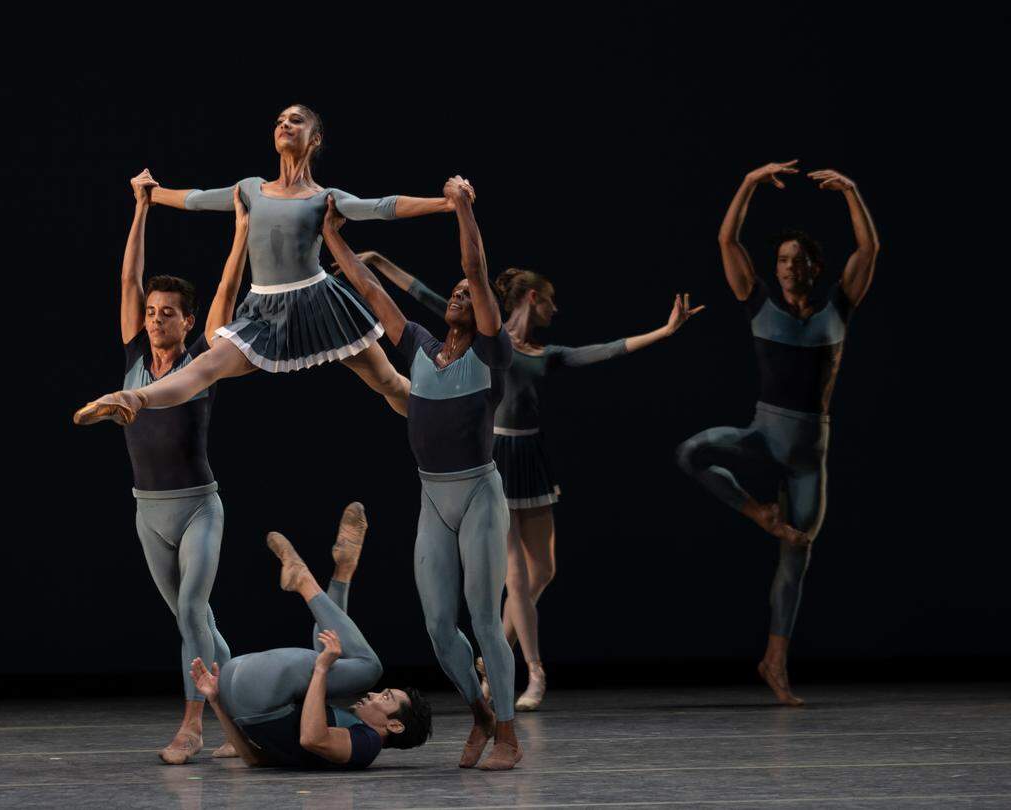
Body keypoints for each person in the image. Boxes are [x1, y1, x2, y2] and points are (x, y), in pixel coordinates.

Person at [353, 252, 704, 711]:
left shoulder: (540, 352)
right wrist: (378, 261)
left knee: (543, 570)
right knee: (516, 579)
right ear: (533, 298)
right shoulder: (482, 334)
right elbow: (418, 291)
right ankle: (532, 673)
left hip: (530, 457)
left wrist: (664, 331)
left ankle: (495, 648)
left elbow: (600, 351)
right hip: (490, 455)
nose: (554, 311)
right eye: (550, 302)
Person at [73, 104, 473, 426]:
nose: (285, 124)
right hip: (263, 311)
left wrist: (446, 204)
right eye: (280, 120)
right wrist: (153, 193)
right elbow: (196, 198)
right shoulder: (251, 190)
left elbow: (383, 207)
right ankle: (131, 397)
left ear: (314, 139)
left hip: (322, 306)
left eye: (295, 120)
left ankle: (447, 422)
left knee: (387, 381)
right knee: (206, 366)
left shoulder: (324, 197)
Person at [322, 179, 522, 770]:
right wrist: (334, 235)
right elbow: (367, 286)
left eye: (469, 293)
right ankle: (480, 716)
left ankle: (508, 733)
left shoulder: (492, 352)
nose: (461, 295)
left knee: (484, 618)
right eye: (456, 293)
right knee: (437, 626)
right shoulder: (419, 346)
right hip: (433, 498)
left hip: (480, 493)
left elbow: (477, 269)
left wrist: (462, 210)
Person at [675, 161, 879, 705]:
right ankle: (756, 512)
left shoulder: (839, 307)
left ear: (814, 266)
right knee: (692, 451)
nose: (787, 267)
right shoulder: (758, 303)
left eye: (797, 260)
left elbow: (869, 252)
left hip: (810, 452)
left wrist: (852, 192)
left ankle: (774, 660)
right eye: (782, 260)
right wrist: (746, 183)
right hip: (763, 434)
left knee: (797, 555)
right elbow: (727, 238)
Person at [108, 170, 248, 763]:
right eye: (152, 311)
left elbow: (226, 289)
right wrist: (141, 207)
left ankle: (192, 724)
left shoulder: (203, 361)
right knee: (198, 623)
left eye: (168, 313)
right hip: (149, 513)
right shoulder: (136, 357)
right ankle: (246, 709)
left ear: (187, 322)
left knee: (192, 610)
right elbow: (129, 277)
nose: (157, 318)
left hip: (198, 507)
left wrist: (241, 230)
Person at [189, 503, 433, 769]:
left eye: (385, 698)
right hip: (241, 693)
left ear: (394, 725)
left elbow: (312, 738)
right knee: (331, 653)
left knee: (368, 666)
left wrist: (321, 669)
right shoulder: (355, 733)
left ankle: (307, 580)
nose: (373, 695)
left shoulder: (367, 745)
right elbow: (253, 759)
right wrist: (216, 699)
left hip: (261, 695)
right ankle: (342, 572)